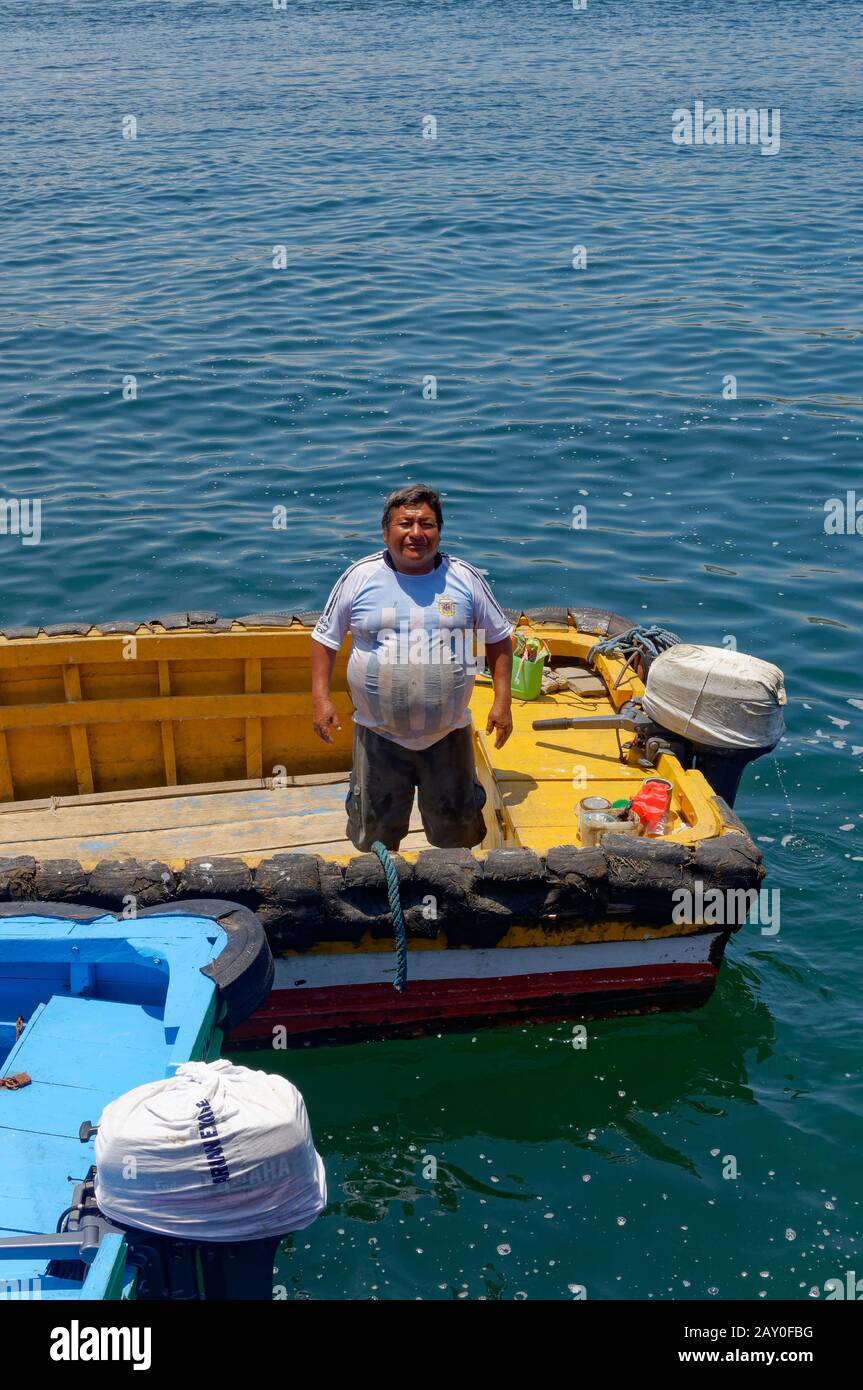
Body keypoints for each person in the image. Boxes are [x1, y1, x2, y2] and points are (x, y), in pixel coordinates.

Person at [310, 484, 513, 851]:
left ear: (439, 531)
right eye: (406, 523)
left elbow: (498, 638)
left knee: (457, 834)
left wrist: (503, 701)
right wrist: (321, 700)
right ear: (386, 531)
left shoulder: (465, 577)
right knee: (376, 838)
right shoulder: (359, 577)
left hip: (449, 736)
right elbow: (325, 640)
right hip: (378, 737)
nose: (416, 534)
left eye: (428, 524)